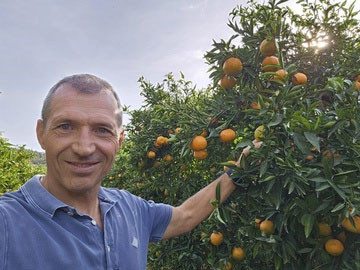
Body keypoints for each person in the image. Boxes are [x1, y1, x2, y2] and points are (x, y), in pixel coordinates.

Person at [0, 74, 261, 270]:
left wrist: (238, 171)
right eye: (66, 126)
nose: (84, 147)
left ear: (120, 141)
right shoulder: (8, 222)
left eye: (102, 130)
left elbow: (185, 216)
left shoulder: (129, 208)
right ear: (40, 133)